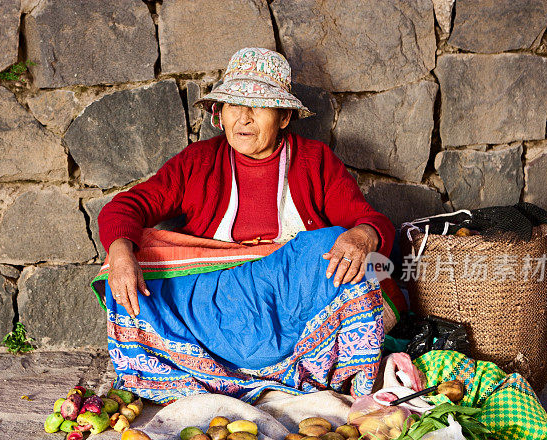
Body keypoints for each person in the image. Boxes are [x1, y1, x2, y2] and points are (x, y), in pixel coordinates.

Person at [95, 48, 404, 404]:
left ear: (285, 117)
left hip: (288, 294)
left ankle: (290, 367)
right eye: (232, 106)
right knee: (131, 254)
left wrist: (363, 234)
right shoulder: (197, 161)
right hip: (219, 301)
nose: (243, 119)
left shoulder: (314, 160)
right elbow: (127, 206)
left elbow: (369, 219)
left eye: (258, 107)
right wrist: (120, 251)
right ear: (219, 115)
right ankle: (209, 368)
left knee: (337, 244)